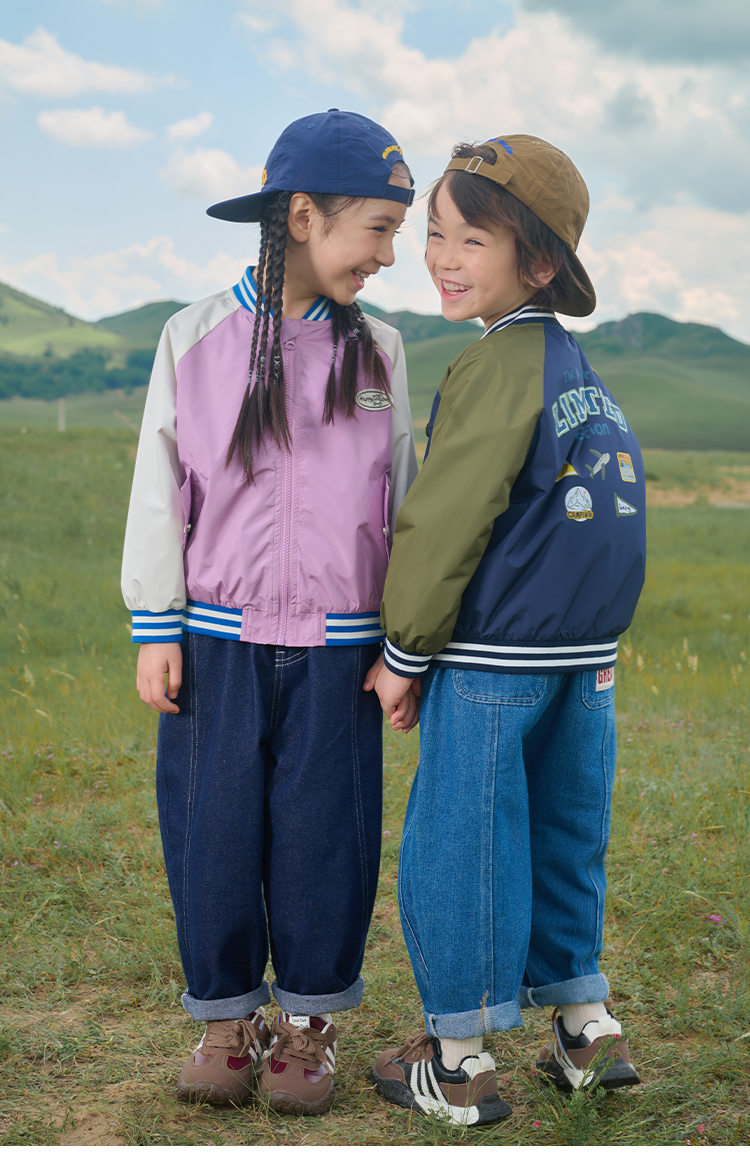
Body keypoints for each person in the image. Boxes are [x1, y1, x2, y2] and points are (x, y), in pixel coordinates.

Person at [121, 109, 418, 1117]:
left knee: (326, 835)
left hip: (342, 648)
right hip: (216, 641)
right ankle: (224, 1018)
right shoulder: (193, 336)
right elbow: (159, 488)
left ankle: (307, 1023)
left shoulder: (382, 350)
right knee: (210, 830)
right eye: (377, 228)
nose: (388, 255)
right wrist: (156, 623)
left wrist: (404, 642)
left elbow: (405, 500)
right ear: (301, 216)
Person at [365, 136, 646, 1127]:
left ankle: (457, 1058)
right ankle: (586, 1025)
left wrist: (403, 652)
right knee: (566, 833)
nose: (443, 258)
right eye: (436, 233)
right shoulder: (579, 369)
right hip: (585, 662)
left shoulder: (496, 365)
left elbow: (446, 519)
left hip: (495, 659)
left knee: (465, 841)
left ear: (539, 265)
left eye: (471, 240)